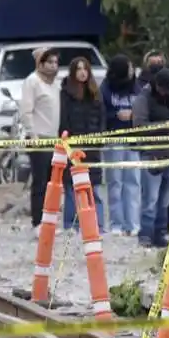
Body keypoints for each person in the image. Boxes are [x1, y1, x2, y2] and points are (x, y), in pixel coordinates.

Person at [132, 68, 169, 247]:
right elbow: (139, 126)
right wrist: (164, 125)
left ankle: (160, 233)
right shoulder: (143, 99)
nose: (167, 93)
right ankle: (145, 234)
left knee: (165, 198)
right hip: (151, 153)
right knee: (151, 198)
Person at [58, 56, 106, 232]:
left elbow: (102, 119)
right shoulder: (65, 94)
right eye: (78, 69)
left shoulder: (95, 93)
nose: (82, 72)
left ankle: (98, 225)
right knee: (71, 189)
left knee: (94, 189)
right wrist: (69, 145)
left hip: (92, 149)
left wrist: (98, 140)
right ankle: (71, 225)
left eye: (85, 68)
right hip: (74, 148)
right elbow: (64, 121)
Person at [20, 47, 61, 238]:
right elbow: (26, 110)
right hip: (39, 139)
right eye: (49, 62)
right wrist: (31, 133)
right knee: (39, 183)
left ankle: (49, 221)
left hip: (54, 139)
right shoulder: (32, 81)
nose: (53, 66)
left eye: (55, 62)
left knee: (52, 183)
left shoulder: (55, 84)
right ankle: (37, 222)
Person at [101, 54, 141, 236]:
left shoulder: (137, 87)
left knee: (132, 181)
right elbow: (101, 112)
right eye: (129, 67)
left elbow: (143, 110)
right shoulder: (106, 88)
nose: (132, 71)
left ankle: (133, 223)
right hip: (114, 138)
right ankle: (116, 223)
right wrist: (115, 116)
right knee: (115, 181)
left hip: (133, 139)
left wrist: (133, 115)